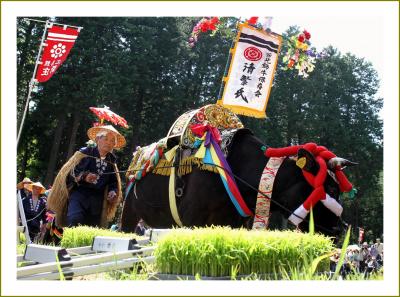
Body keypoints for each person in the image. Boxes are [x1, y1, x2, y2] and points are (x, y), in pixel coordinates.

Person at [47, 125, 126, 228]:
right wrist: (84, 176)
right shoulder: (84, 153)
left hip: (97, 201)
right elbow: (70, 172)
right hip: (79, 195)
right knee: (75, 220)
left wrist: (112, 191)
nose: (109, 143)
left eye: (112, 141)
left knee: (91, 228)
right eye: (106, 139)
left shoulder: (112, 161)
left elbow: (113, 182)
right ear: (97, 139)